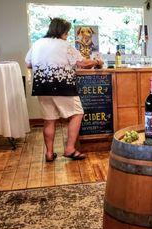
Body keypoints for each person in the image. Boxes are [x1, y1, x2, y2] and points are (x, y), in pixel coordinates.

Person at [25, 18, 103, 162]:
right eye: (66, 33)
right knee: (77, 113)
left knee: (49, 120)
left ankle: (49, 153)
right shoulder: (65, 45)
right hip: (62, 85)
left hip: (42, 86)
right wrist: (97, 62)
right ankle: (70, 149)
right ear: (61, 32)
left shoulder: (37, 43)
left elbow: (29, 63)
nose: (67, 36)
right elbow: (82, 63)